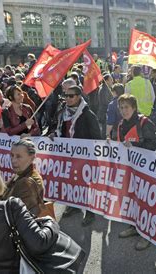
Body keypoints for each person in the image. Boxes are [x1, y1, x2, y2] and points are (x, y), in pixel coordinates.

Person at [49, 85, 101, 226]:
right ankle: (74, 206)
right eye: (65, 95)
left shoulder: (88, 115)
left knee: (86, 185)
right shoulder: (62, 113)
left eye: (71, 96)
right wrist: (54, 133)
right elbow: (55, 127)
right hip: (68, 156)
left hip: (85, 158)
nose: (67, 98)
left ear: (79, 97)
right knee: (72, 182)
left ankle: (90, 213)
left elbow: (97, 138)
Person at [114, 94, 156, 251]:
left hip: (145, 171)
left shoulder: (145, 122)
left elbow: (152, 146)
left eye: (126, 107)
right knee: (131, 199)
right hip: (128, 170)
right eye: (121, 107)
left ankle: (146, 235)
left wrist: (135, 146)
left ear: (134, 108)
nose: (123, 110)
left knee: (145, 202)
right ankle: (134, 227)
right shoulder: (120, 124)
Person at [2, 138, 45, 216]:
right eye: (12, 155)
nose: (13, 160)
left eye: (18, 157)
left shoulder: (26, 182)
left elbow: (13, 214)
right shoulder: (20, 173)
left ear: (32, 158)